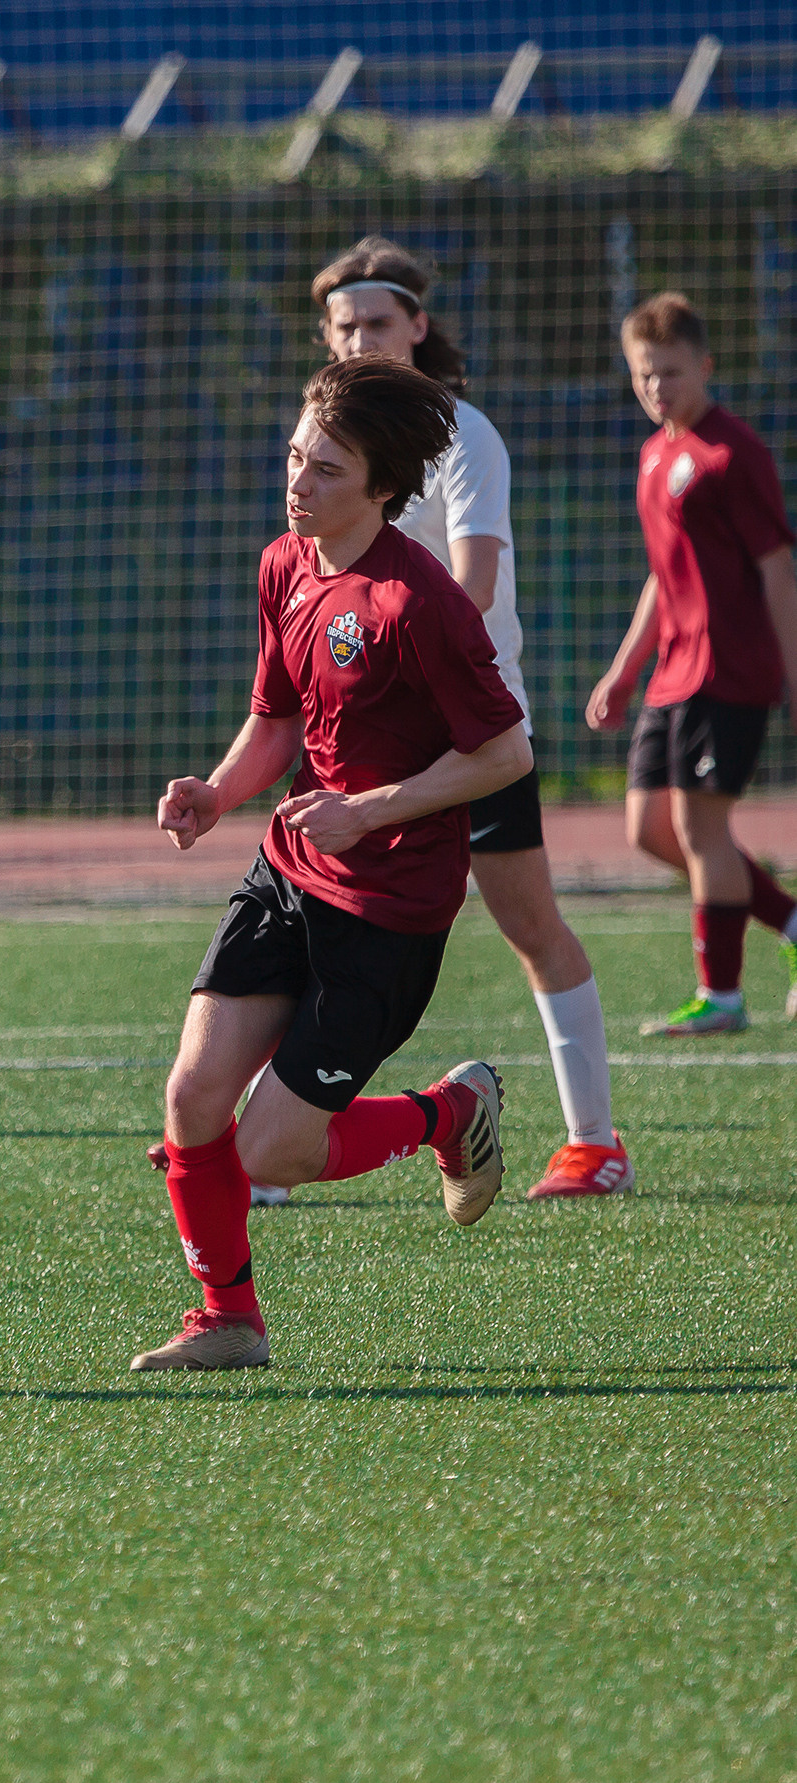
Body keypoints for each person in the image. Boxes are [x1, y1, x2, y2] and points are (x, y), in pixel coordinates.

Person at [137, 355, 532, 1373]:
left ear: (379, 486)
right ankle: (226, 1321)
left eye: (322, 469)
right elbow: (276, 716)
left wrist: (372, 811)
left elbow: (503, 751)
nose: (296, 483)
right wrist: (219, 795)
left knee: (269, 1150)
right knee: (189, 1099)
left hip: (388, 907)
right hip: (287, 873)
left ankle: (449, 1112)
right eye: (292, 458)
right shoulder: (283, 564)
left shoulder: (418, 600)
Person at [304, 236, 635, 1200]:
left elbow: (473, 583)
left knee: (529, 923)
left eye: (378, 322)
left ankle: (594, 1143)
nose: (362, 336)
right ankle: (271, 1139)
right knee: (312, 923)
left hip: (469, 740)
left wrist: (370, 650)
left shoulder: (462, 435)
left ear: (417, 327)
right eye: (344, 325)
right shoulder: (322, 438)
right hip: (363, 738)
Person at [587, 292, 797, 1036]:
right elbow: (662, 575)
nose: (656, 388)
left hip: (729, 669)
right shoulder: (654, 455)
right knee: (651, 831)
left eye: (671, 373)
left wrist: (793, 674)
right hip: (672, 674)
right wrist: (623, 671)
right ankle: (792, 921)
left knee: (703, 831)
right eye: (644, 374)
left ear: (705, 366)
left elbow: (776, 568)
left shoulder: (733, 453)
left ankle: (724, 997)